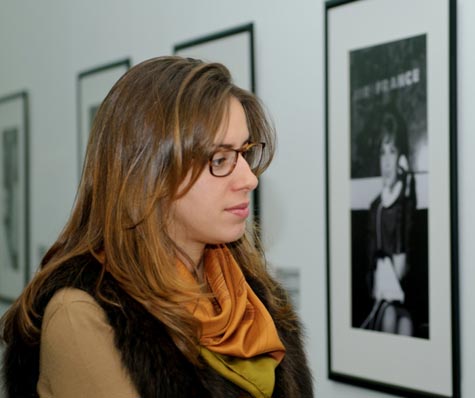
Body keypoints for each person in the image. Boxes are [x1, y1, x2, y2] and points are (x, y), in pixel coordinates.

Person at [1, 56, 312, 398]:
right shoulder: (86, 314)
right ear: (150, 174)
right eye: (220, 160)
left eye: (245, 153)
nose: (249, 179)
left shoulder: (251, 293)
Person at [360, 110, 416, 335]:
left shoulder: (405, 204)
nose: (387, 162)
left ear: (402, 157)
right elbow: (370, 267)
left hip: (405, 296)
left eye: (392, 151)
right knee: (392, 317)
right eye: (383, 153)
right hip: (380, 299)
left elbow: (402, 266)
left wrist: (405, 194)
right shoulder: (376, 207)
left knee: (405, 323)